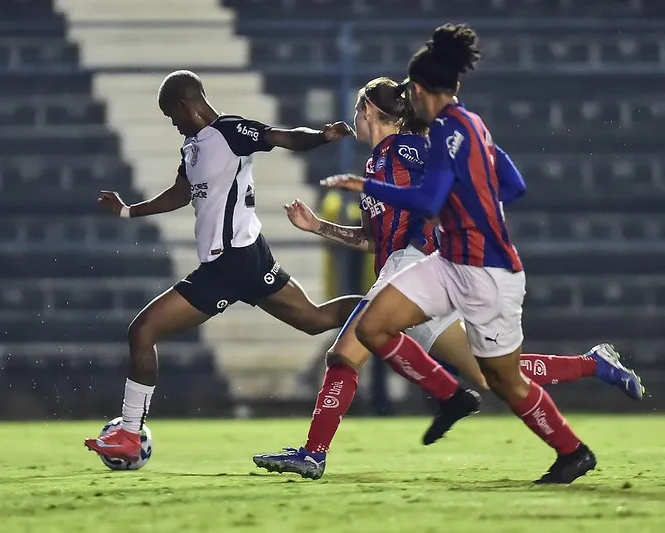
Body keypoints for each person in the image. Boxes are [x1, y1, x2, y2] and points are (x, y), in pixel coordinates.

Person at [252, 77, 644, 480]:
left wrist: (454, 216)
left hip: (415, 266)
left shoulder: (405, 147)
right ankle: (592, 364)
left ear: (367, 110)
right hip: (406, 270)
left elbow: (450, 182)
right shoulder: (376, 164)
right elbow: (371, 240)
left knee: (345, 353)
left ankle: (315, 453)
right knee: (491, 374)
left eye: (358, 110)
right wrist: (318, 226)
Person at [320, 24, 605, 484]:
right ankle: (449, 395)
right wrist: (473, 205)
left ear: (416, 90)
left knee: (504, 381)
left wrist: (365, 185)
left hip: (488, 273)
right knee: (373, 327)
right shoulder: (473, 126)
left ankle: (572, 451)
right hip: (449, 261)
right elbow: (513, 185)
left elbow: (428, 203)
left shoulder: (443, 135)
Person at [84, 70, 364, 461]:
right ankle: (380, 309)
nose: (172, 123)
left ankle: (130, 433)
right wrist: (129, 211)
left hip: (230, 262)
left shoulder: (230, 131)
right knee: (314, 320)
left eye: (171, 114)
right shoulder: (191, 147)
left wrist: (322, 136)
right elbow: (180, 194)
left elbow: (281, 137)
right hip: (246, 258)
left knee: (143, 331)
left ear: (187, 104)